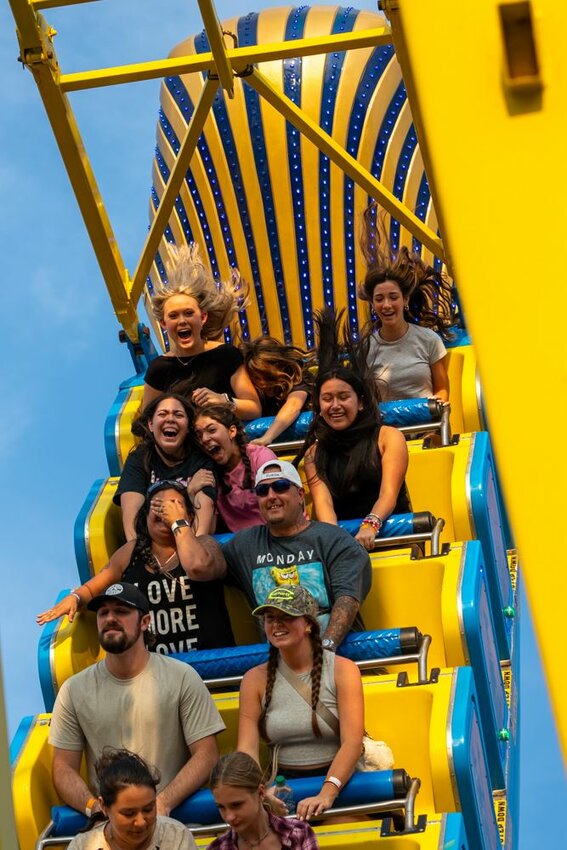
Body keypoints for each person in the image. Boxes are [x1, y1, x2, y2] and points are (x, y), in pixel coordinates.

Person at [49, 582, 226, 819]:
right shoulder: (73, 690)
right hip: (109, 827)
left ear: (145, 622)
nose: (110, 618)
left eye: (121, 611)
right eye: (103, 613)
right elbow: (62, 769)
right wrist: (95, 808)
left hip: (175, 822)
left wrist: (160, 804)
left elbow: (206, 754)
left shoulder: (182, 676)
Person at [38, 482, 233, 654]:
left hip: (210, 664)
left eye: (175, 505)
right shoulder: (131, 552)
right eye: (156, 506)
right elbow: (95, 587)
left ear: (190, 516)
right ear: (145, 517)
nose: (165, 510)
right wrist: (75, 598)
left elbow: (198, 567)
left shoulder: (206, 544)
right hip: (156, 673)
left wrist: (178, 522)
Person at [206, 460, 372, 651]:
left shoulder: (333, 539)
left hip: (336, 659)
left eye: (280, 487)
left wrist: (325, 651)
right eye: (262, 491)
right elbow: (202, 566)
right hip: (280, 666)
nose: (271, 496)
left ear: (300, 495)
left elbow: (347, 599)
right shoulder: (245, 545)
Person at [237, 585, 364, 823]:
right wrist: (259, 793)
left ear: (308, 624)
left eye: (287, 617)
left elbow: (352, 742)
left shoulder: (343, 670)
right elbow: (247, 750)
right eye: (270, 618)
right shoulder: (253, 679)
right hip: (284, 790)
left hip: (340, 784)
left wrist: (327, 792)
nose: (276, 624)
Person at [298, 309, 411, 551]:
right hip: (347, 547)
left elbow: (388, 494)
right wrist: (338, 543)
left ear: (360, 402)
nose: (335, 405)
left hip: (392, 537)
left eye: (343, 397)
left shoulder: (388, 437)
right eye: (327, 398)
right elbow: (323, 505)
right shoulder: (314, 453)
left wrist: (370, 525)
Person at [143, 243, 261, 420]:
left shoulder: (225, 355)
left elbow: (253, 408)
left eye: (189, 313)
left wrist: (223, 401)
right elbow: (147, 422)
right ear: (164, 324)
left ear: (203, 317)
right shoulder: (159, 368)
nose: (182, 321)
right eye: (174, 316)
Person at [358, 204, 455, 402]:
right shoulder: (367, 348)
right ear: (373, 304)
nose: (386, 305)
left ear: (405, 300)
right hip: (387, 429)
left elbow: (443, 391)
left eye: (393, 297)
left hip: (426, 427)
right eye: (379, 299)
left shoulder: (428, 340)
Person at [115, 393, 217, 540]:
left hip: (191, 543)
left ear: (188, 427)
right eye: (162, 414)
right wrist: (189, 492)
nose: (170, 419)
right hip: (150, 545)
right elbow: (132, 521)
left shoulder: (201, 459)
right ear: (150, 424)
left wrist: (189, 551)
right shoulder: (139, 458)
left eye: (178, 415)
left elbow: (203, 528)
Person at [68, 748, 196, 849]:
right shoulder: (82, 846)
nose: (141, 822)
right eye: (129, 813)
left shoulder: (177, 837)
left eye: (148, 809)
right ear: (103, 807)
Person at [208, 751, 319, 849]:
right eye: (221, 807)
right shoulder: (217, 847)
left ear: (260, 793)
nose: (229, 817)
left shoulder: (299, 833)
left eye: (236, 805)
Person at [192, 404, 277, 532]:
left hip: (276, 536)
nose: (204, 439)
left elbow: (279, 505)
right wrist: (192, 493)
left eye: (211, 430)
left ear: (232, 431)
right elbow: (207, 532)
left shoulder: (261, 457)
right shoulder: (209, 472)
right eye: (199, 435)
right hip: (242, 546)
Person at [241, 336, 313, 447]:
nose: (262, 383)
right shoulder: (253, 389)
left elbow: (293, 405)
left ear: (280, 367)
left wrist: (267, 437)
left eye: (267, 376)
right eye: (256, 377)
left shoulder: (298, 377)